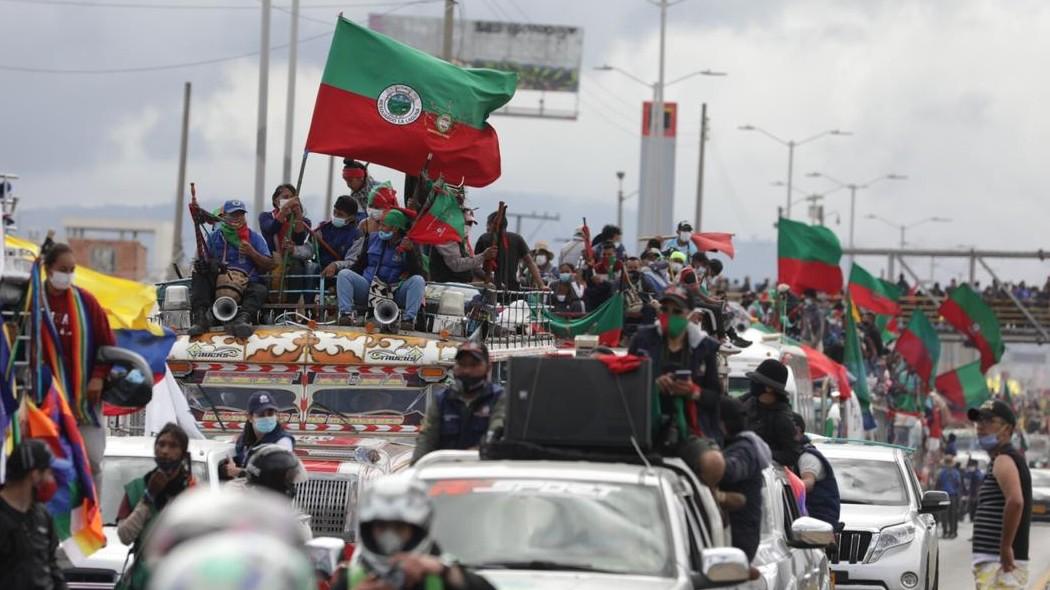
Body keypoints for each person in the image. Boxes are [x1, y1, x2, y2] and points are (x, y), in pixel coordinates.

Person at [43, 242, 115, 490]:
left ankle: (92, 515)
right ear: (48, 269)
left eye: (72, 269)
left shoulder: (86, 302)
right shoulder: (32, 302)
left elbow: (108, 346)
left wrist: (98, 377)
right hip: (43, 401)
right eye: (63, 269)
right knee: (46, 463)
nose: (68, 275)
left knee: (92, 461)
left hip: (84, 401)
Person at [343, 474, 496, 590]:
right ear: (368, 530)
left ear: (417, 530)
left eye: (399, 527)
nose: (389, 537)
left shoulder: (442, 578)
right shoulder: (349, 580)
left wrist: (445, 571)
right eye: (381, 527)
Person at [629, 286, 726, 456]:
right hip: (645, 425)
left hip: (691, 429)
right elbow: (625, 383)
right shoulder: (642, 339)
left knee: (713, 463)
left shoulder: (705, 347)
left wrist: (693, 391)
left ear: (691, 314)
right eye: (664, 309)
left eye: (677, 311)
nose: (670, 316)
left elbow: (715, 397)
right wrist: (652, 385)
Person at [115, 423, 195, 590]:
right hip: (143, 582)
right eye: (161, 444)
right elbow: (124, 536)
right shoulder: (136, 488)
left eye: (173, 446)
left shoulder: (194, 494)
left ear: (183, 454)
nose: (165, 451)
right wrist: (148, 496)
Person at [969, 400, 1032, 589]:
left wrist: (1005, 547)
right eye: (979, 421)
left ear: (1007, 429)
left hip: (1000, 564)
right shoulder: (1000, 458)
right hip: (995, 562)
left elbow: (1015, 502)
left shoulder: (1004, 459)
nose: (980, 427)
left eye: (988, 421)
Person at [189, 199, 274, 338]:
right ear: (224, 217)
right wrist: (207, 265)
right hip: (219, 282)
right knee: (199, 277)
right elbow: (202, 260)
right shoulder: (213, 237)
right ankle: (201, 318)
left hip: (246, 282)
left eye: (240, 214)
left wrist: (252, 252)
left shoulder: (254, 238)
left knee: (260, 289)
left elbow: (269, 264)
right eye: (233, 215)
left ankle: (243, 319)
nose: (237, 218)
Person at [412, 341, 503, 464]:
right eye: (462, 364)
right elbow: (426, 438)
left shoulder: (499, 398)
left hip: (485, 471)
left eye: (474, 364)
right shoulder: (442, 400)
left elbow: (498, 430)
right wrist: (415, 469)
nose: (467, 370)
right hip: (447, 473)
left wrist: (477, 453)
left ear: (488, 367)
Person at [336, 210, 425, 331]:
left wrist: (410, 252)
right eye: (380, 224)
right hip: (369, 289)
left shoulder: (410, 244)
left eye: (383, 225)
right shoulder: (372, 239)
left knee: (418, 280)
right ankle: (346, 315)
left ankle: (408, 320)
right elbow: (359, 265)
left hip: (396, 291)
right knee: (344, 275)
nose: (379, 228)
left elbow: (418, 272)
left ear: (394, 228)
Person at [0, 439, 65, 590]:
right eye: (48, 471)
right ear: (35, 475)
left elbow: (51, 564)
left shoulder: (42, 516)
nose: (51, 478)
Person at [718, 396, 772, 563]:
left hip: (737, 539)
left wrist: (705, 460)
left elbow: (729, 472)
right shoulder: (740, 446)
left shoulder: (744, 450)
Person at [741, 359, 803, 467]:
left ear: (769, 388)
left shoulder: (782, 418)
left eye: (756, 381)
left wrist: (760, 452)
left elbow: (792, 455)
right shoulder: (748, 401)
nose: (752, 384)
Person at [224, 391, 295, 479]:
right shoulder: (244, 440)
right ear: (249, 417)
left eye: (270, 414)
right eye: (261, 414)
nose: (267, 418)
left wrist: (239, 472)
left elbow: (276, 476)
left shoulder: (282, 442)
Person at [791, 413, 841, 528]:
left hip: (818, 523)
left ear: (797, 431)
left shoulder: (807, 456)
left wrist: (788, 485)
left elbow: (808, 484)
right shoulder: (795, 454)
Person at [474, 211, 545, 291]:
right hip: (512, 290)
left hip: (490, 289)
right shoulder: (517, 238)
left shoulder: (484, 238)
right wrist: (541, 285)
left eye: (487, 225)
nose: (487, 228)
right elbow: (530, 262)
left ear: (491, 224)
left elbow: (475, 265)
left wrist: (490, 279)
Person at [429, 205, 496, 284]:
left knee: (491, 288)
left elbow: (473, 264)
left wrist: (491, 279)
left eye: (470, 223)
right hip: (447, 285)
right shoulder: (447, 238)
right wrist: (483, 256)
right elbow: (456, 265)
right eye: (466, 222)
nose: (468, 226)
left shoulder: (462, 241)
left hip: (462, 284)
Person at [318, 196, 363, 275]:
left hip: (340, 275)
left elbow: (351, 262)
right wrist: (294, 250)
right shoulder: (322, 227)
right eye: (334, 212)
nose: (335, 216)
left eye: (340, 214)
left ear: (351, 218)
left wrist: (336, 265)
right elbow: (309, 251)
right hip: (319, 270)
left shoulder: (357, 235)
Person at [936, 455, 962, 538]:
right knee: (953, 515)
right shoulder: (956, 473)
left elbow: (938, 485)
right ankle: (953, 532)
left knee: (944, 515)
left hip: (943, 496)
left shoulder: (941, 473)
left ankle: (945, 532)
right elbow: (958, 484)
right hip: (953, 496)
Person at [964, 458, 985, 523]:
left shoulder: (977, 473)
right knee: (972, 506)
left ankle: (974, 518)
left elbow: (979, 480)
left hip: (976, 492)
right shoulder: (972, 472)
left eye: (971, 465)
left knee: (974, 506)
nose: (970, 467)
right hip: (973, 492)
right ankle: (972, 517)